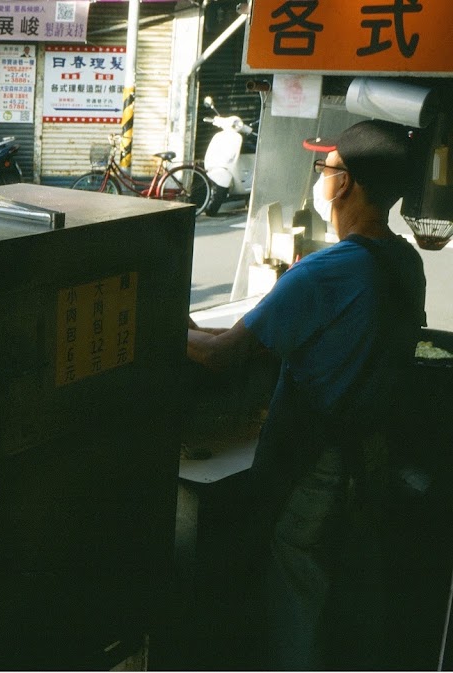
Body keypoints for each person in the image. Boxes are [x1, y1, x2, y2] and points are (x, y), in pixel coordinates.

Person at [186, 120, 426, 670]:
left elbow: (224, 354)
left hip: (316, 465)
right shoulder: (404, 262)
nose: (320, 180)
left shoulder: (328, 271)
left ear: (344, 184)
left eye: (325, 168)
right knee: (345, 594)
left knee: (295, 593)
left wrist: (156, 323)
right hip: (368, 459)